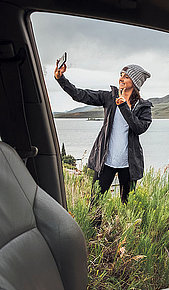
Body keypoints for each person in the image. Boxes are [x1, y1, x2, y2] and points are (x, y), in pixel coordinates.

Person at [54, 60, 152, 205]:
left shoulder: (143, 107)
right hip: (105, 161)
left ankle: (126, 227)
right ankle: (94, 228)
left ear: (135, 82)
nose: (121, 79)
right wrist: (61, 79)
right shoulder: (109, 97)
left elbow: (139, 128)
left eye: (126, 76)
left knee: (128, 205)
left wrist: (124, 106)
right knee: (96, 203)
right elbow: (80, 95)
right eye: (121, 75)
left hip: (130, 164)